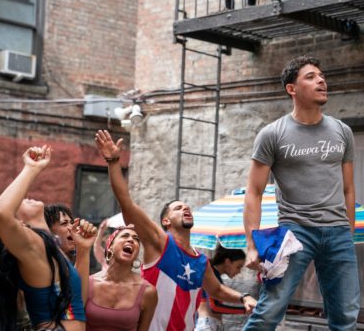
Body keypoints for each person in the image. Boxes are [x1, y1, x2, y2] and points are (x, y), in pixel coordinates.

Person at [95, 129, 257, 331]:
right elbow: (126, 203)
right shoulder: (159, 242)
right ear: (166, 221)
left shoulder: (201, 261)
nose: (185, 208)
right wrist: (113, 162)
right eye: (178, 208)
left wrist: (244, 297)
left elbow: (216, 289)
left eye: (187, 207)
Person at [243, 55, 360, 331]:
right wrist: (251, 246)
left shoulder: (342, 131)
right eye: (311, 76)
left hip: (338, 232)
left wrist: (349, 234)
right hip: (295, 233)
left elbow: (348, 188)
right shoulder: (272, 134)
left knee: (346, 319)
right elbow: (254, 191)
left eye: (322, 76)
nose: (321, 80)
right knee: (268, 313)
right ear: (291, 89)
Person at [0, 145, 96, 331]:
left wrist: (83, 250)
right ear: (20, 224)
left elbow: (78, 299)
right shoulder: (34, 247)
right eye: (20, 201)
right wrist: (31, 168)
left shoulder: (50, 248)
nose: (27, 197)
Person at [85, 224, 158, 330]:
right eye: (125, 236)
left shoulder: (148, 292)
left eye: (136, 239)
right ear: (109, 248)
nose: (131, 240)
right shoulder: (87, 283)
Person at [195, 246, 247, 331]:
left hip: (212, 324)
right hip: (207, 324)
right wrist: (245, 308)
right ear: (227, 261)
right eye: (238, 266)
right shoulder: (211, 274)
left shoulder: (215, 276)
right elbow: (215, 307)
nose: (239, 271)